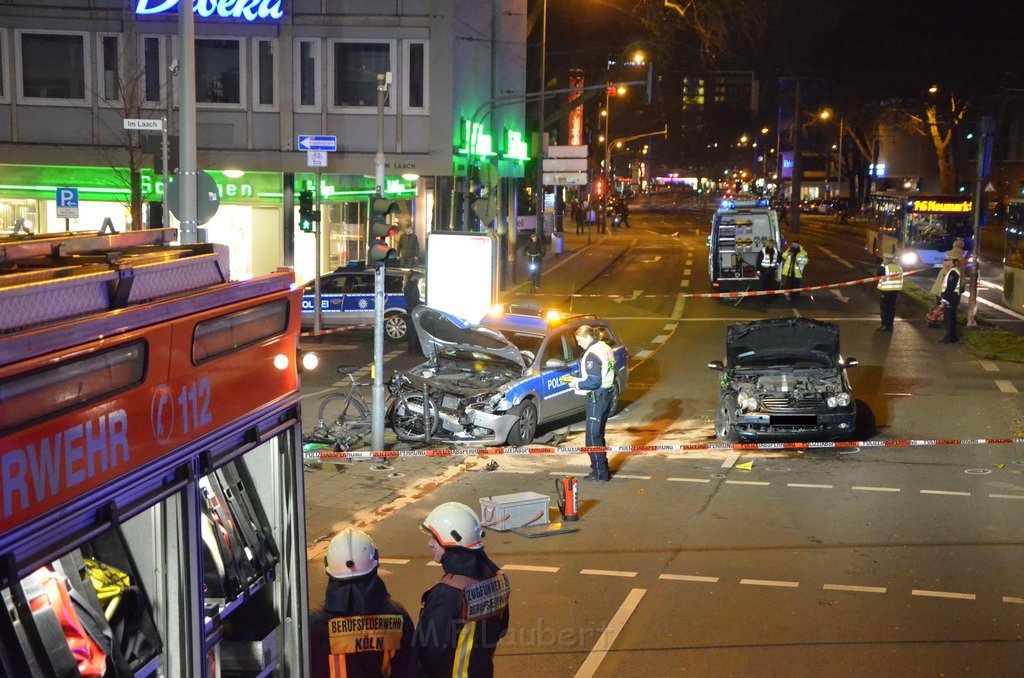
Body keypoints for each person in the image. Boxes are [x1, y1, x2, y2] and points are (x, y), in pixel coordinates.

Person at [415, 502, 510, 678]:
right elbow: (500, 630)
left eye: (435, 538)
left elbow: (427, 652)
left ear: (451, 541)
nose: (430, 544)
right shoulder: (498, 579)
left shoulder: (446, 595)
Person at [309, 528, 418, 678]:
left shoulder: (313, 626)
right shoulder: (397, 617)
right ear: (375, 562)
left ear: (329, 566)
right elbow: (408, 670)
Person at [564, 325, 616, 482]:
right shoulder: (604, 347)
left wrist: (576, 384)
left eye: (580, 340)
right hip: (606, 395)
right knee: (598, 434)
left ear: (588, 338)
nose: (578, 344)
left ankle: (600, 473)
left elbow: (593, 382)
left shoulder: (592, 354)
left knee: (592, 438)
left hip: (597, 398)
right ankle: (602, 469)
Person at [939, 255, 963, 344]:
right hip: (952, 297)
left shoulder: (953, 272)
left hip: (951, 297)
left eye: (947, 260)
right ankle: (952, 337)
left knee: (949, 318)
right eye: (945, 260)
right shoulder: (952, 271)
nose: (945, 262)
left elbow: (950, 287)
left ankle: (950, 338)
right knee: (951, 317)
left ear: (953, 262)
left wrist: (945, 299)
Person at [876, 254, 904, 331]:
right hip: (895, 292)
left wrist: (883, 264)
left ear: (887, 259)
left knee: (884, 309)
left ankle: (884, 325)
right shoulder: (899, 268)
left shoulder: (886, 267)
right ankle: (890, 325)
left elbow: (878, 272)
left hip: (886, 291)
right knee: (891, 309)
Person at [403, 271, 424, 355]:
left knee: (412, 332)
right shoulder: (413, 286)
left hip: (411, 310)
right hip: (414, 311)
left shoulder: (408, 285)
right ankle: (415, 351)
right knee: (415, 332)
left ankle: (412, 350)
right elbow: (415, 299)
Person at [757, 239, 780, 304]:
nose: (772, 245)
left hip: (771, 271)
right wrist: (758, 271)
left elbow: (780, 258)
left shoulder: (775, 251)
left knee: (770, 286)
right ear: (768, 244)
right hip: (763, 271)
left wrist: (776, 265)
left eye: (773, 244)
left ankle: (769, 299)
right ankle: (763, 300)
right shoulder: (763, 251)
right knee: (763, 286)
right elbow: (758, 262)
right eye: (771, 243)